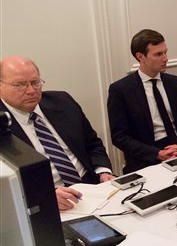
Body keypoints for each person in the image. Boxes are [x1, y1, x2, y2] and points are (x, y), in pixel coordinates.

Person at [0, 55, 115, 211]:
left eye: (35, 82)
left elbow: (92, 143)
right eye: (20, 85)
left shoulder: (63, 101)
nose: (31, 91)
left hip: (93, 189)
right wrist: (45, 195)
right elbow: (5, 187)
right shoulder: (2, 124)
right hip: (44, 204)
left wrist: (103, 171)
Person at [107, 29, 177, 173]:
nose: (165, 58)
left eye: (165, 52)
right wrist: (156, 154)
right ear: (140, 56)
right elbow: (120, 137)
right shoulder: (121, 90)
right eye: (158, 54)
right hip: (146, 157)